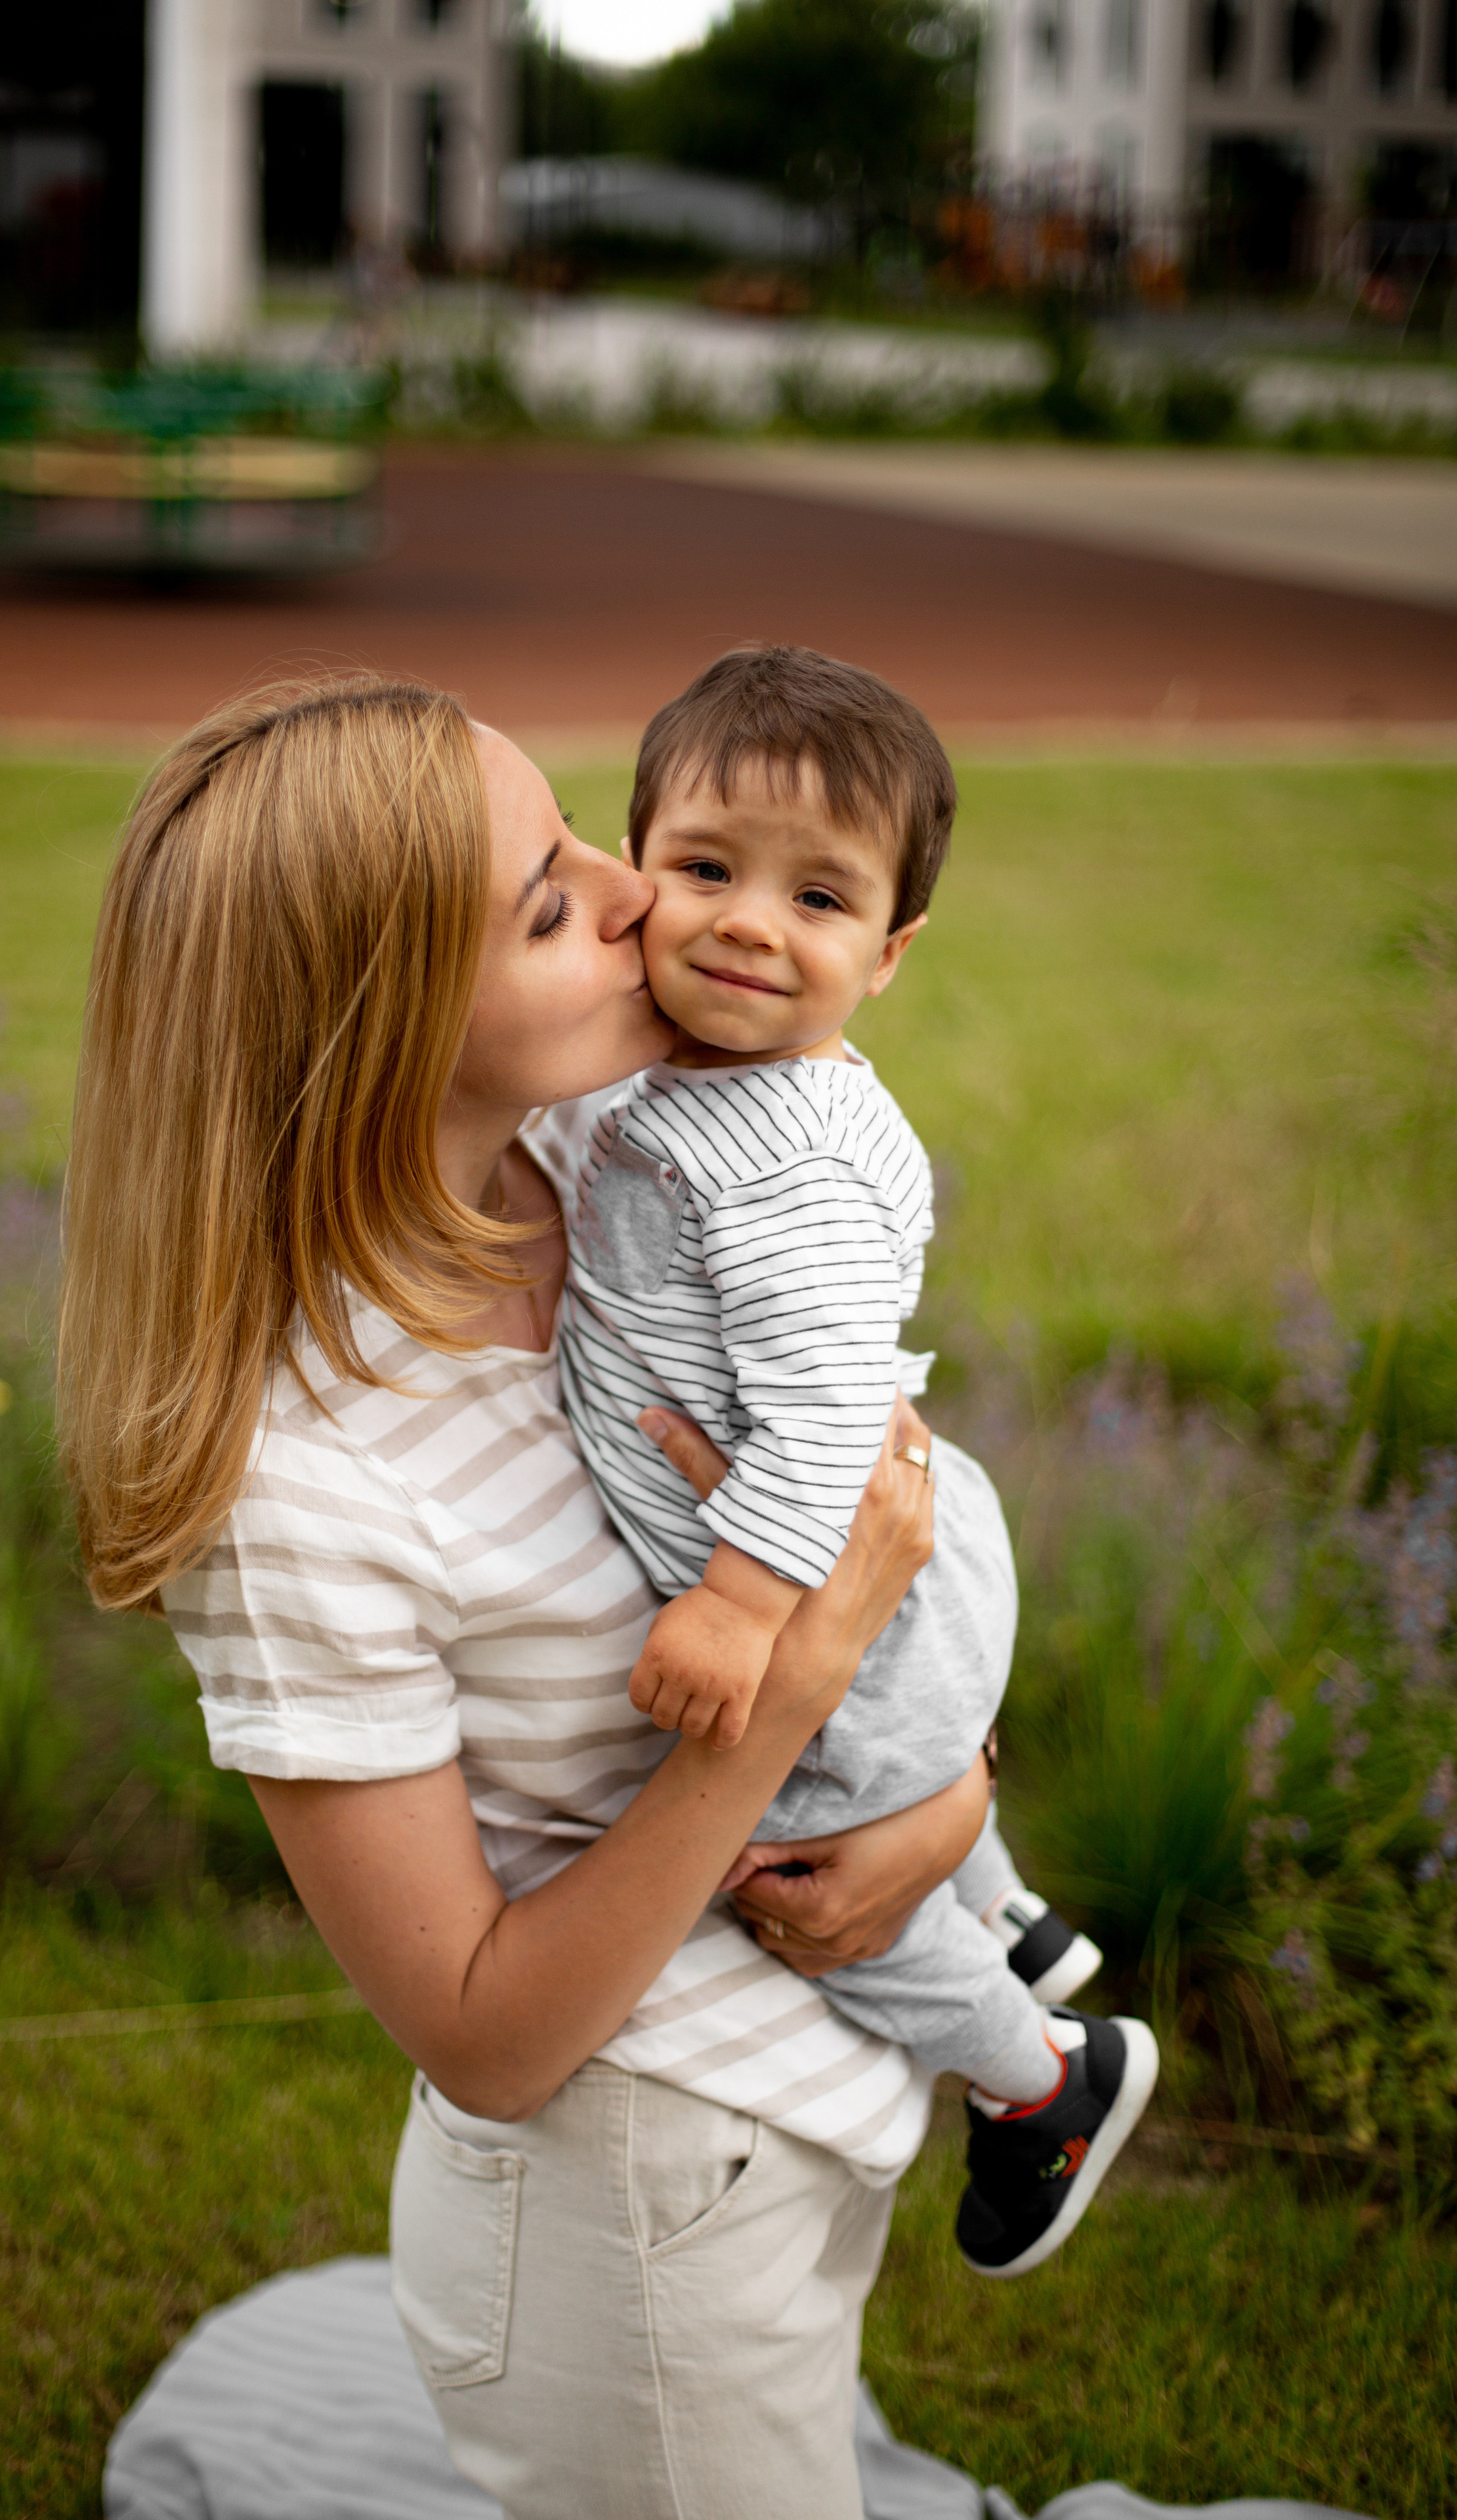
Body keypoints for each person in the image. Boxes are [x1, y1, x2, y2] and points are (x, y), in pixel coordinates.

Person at [58, 675, 1000, 2520]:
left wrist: (942, 1800)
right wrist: (787, 1706)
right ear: (386, 1018)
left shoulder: (611, 1186)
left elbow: (860, 1522)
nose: (642, 892)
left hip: (803, 2112)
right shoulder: (305, 1488)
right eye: (555, 903)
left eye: (586, 834)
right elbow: (484, 2036)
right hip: (639, 2216)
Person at [557, 645, 1157, 2281]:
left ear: (886, 955)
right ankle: (1015, 1922)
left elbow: (824, 1414)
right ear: (634, 878)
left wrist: (744, 1611)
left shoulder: (797, 1160)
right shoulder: (682, 1078)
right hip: (870, 1547)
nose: (749, 922)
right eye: (704, 870)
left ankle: (1040, 2081)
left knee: (808, 1864)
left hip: (829, 1572)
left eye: (816, 899)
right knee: (887, 1777)